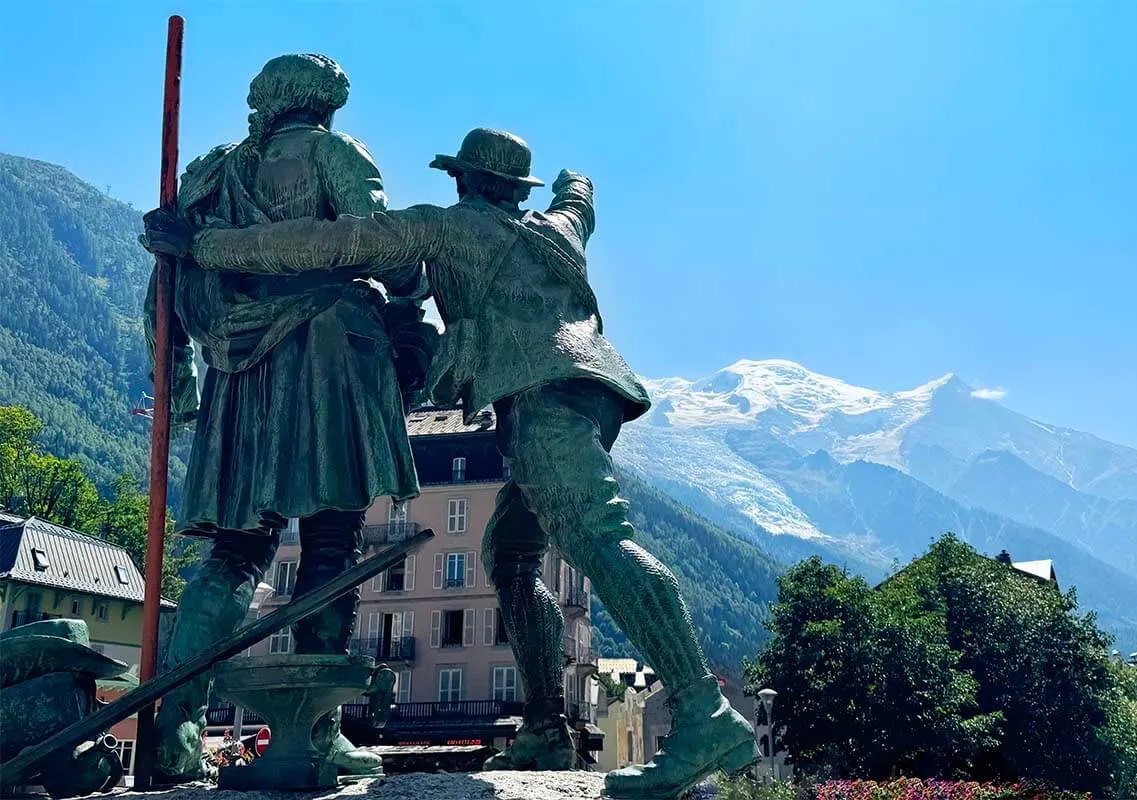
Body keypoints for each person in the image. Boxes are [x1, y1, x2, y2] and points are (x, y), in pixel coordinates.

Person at [143, 127, 758, 799]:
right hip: (598, 392)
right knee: (511, 556)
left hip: (541, 395)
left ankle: (702, 712)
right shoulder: (557, 229)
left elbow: (330, 244)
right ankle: (547, 726)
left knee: (597, 537)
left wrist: (204, 246)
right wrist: (573, 181)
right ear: (516, 190)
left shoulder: (443, 228)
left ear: (463, 180)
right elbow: (581, 198)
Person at [142, 54, 435, 784]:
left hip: (242, 368)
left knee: (237, 550)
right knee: (331, 540)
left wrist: (175, 370)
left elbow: (168, 277)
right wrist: (413, 284)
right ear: (321, 106)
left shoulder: (212, 174)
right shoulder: (337, 154)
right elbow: (378, 245)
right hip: (330, 354)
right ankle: (316, 730)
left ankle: (174, 726)